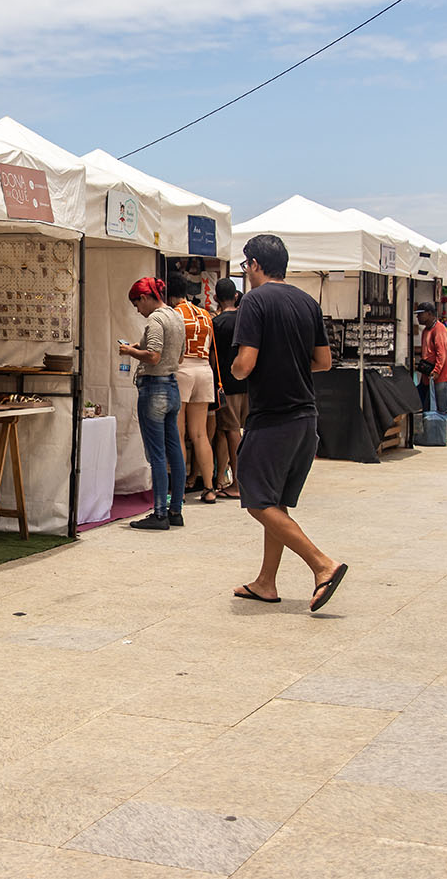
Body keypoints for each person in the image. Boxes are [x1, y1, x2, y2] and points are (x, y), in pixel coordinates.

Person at [231, 235, 348, 612]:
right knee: (277, 501)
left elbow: (245, 363)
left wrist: (235, 371)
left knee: (256, 499)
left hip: (272, 417)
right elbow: (324, 361)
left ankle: (321, 564)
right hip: (305, 416)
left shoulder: (254, 301)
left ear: (254, 265)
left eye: (245, 265)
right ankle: (266, 582)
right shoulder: (306, 302)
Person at [118, 277, 187, 530]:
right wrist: (141, 346)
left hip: (154, 387)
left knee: (156, 454)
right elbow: (177, 353)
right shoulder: (175, 316)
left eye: (137, 303)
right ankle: (175, 510)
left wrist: (130, 352)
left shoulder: (156, 319)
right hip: (172, 386)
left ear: (145, 297)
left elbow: (154, 356)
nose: (138, 309)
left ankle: (159, 514)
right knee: (174, 451)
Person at [169, 275, 218, 504]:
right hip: (205, 369)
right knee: (200, 434)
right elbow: (214, 350)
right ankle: (209, 487)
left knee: (178, 433)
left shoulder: (174, 314)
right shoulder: (205, 315)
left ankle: (178, 490)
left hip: (183, 370)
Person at [210, 277, 246, 499]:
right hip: (249, 382)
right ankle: (227, 478)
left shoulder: (216, 323)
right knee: (244, 431)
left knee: (231, 432)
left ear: (215, 298)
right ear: (235, 296)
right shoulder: (246, 320)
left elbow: (213, 356)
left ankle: (238, 484)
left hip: (226, 384)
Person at [415, 301, 447, 417]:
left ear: (429, 314)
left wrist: (437, 370)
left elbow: (441, 353)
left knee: (445, 407)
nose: (418, 317)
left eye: (420, 314)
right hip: (428, 376)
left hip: (441, 376)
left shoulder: (439, 329)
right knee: (425, 405)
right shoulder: (426, 331)